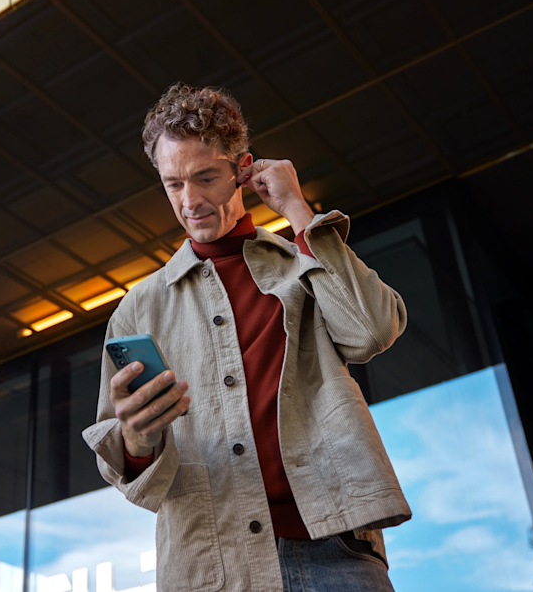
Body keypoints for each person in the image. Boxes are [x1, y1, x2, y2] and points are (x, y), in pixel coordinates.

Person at [82, 84, 411, 592]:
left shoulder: (304, 263)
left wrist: (299, 210)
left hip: (336, 553)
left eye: (205, 177)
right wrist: (137, 438)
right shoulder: (138, 309)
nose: (189, 201)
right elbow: (125, 465)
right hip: (211, 568)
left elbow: (372, 331)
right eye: (173, 184)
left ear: (243, 169)